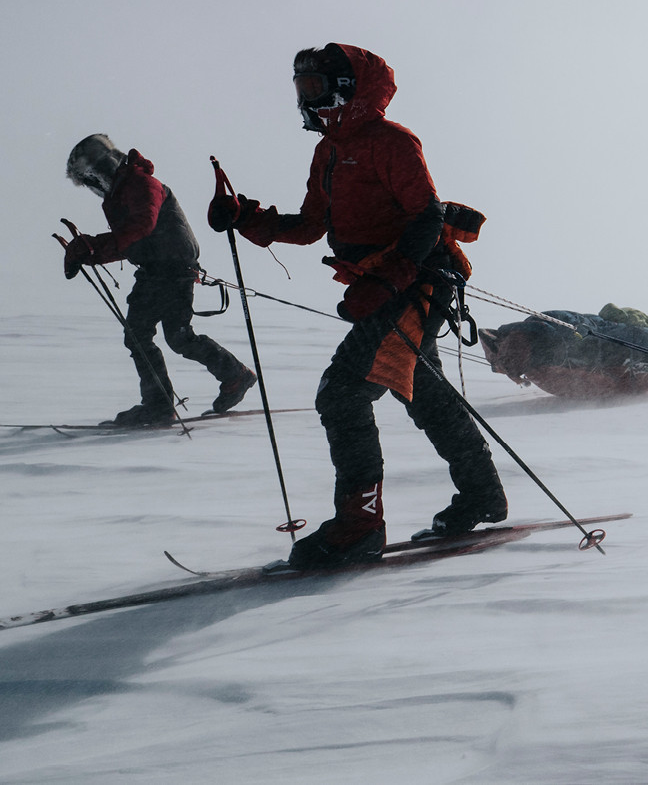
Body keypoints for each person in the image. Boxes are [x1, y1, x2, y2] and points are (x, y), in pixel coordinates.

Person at [208, 43, 507, 569]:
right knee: (426, 395)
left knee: (343, 392)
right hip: (388, 285)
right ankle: (482, 495)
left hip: (418, 282)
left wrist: (389, 282)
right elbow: (309, 226)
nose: (306, 100)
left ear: (347, 88)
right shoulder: (328, 150)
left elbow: (427, 219)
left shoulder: (391, 142)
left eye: (315, 88)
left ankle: (360, 526)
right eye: (301, 89)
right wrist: (245, 216)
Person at [64, 134, 257, 426]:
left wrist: (94, 247)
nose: (96, 185)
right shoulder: (118, 195)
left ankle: (230, 377)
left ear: (105, 167)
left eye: (94, 177)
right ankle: (163, 402)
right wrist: (90, 252)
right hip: (154, 270)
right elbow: (133, 240)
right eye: (90, 181)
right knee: (143, 335)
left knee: (176, 336)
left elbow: (142, 226)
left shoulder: (141, 184)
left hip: (173, 268)